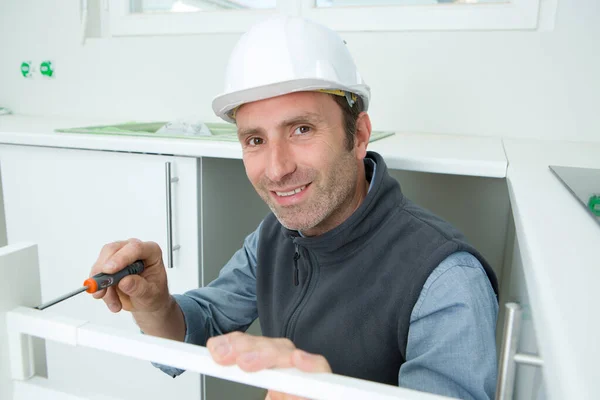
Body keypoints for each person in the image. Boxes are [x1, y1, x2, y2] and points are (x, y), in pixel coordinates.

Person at [90, 16, 499, 400]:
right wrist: (156, 305)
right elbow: (200, 330)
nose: (277, 168)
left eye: (301, 129)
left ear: (358, 135)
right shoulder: (273, 239)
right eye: (255, 140)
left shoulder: (445, 280)